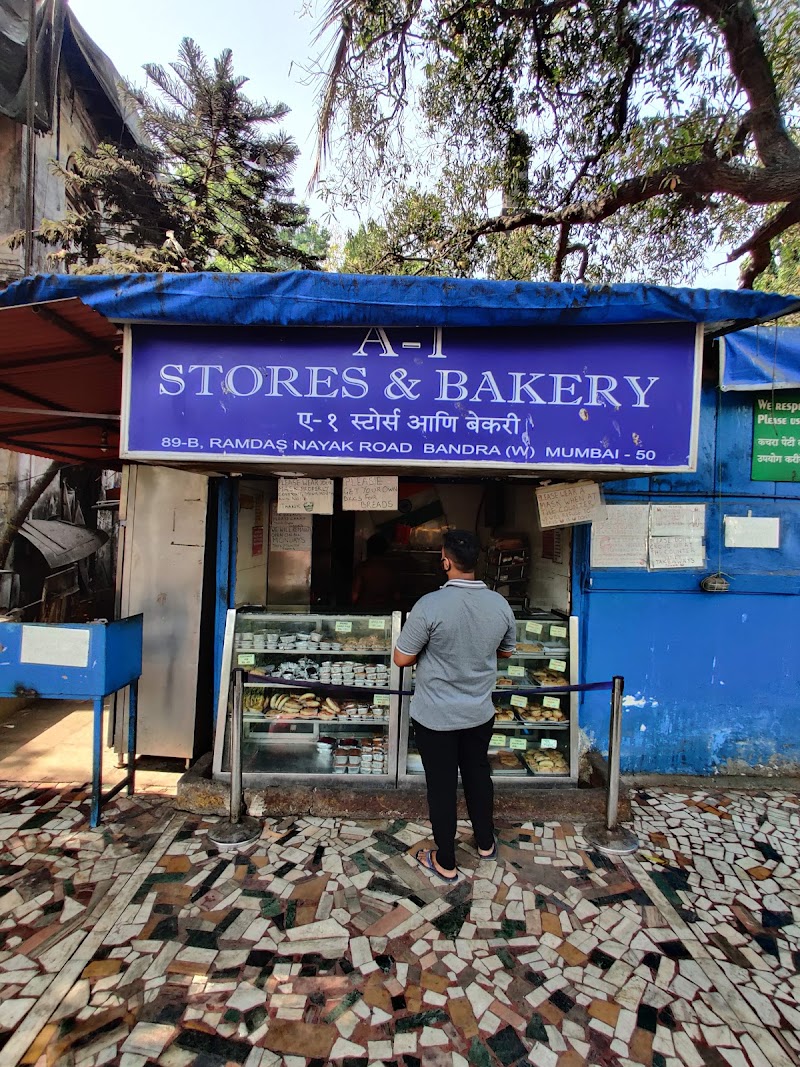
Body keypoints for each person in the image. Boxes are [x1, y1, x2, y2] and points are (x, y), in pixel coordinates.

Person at [393, 529, 516, 882]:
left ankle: (445, 861)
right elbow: (506, 652)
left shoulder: (429, 605)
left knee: (442, 786)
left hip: (436, 717)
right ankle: (485, 843)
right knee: (478, 774)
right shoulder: (500, 604)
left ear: (446, 561)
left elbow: (402, 658)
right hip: (479, 712)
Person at [351, 533, 397, 609]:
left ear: (368, 549)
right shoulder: (391, 569)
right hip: (384, 610)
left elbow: (354, 595)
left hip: (364, 609)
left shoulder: (362, 568)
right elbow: (396, 595)